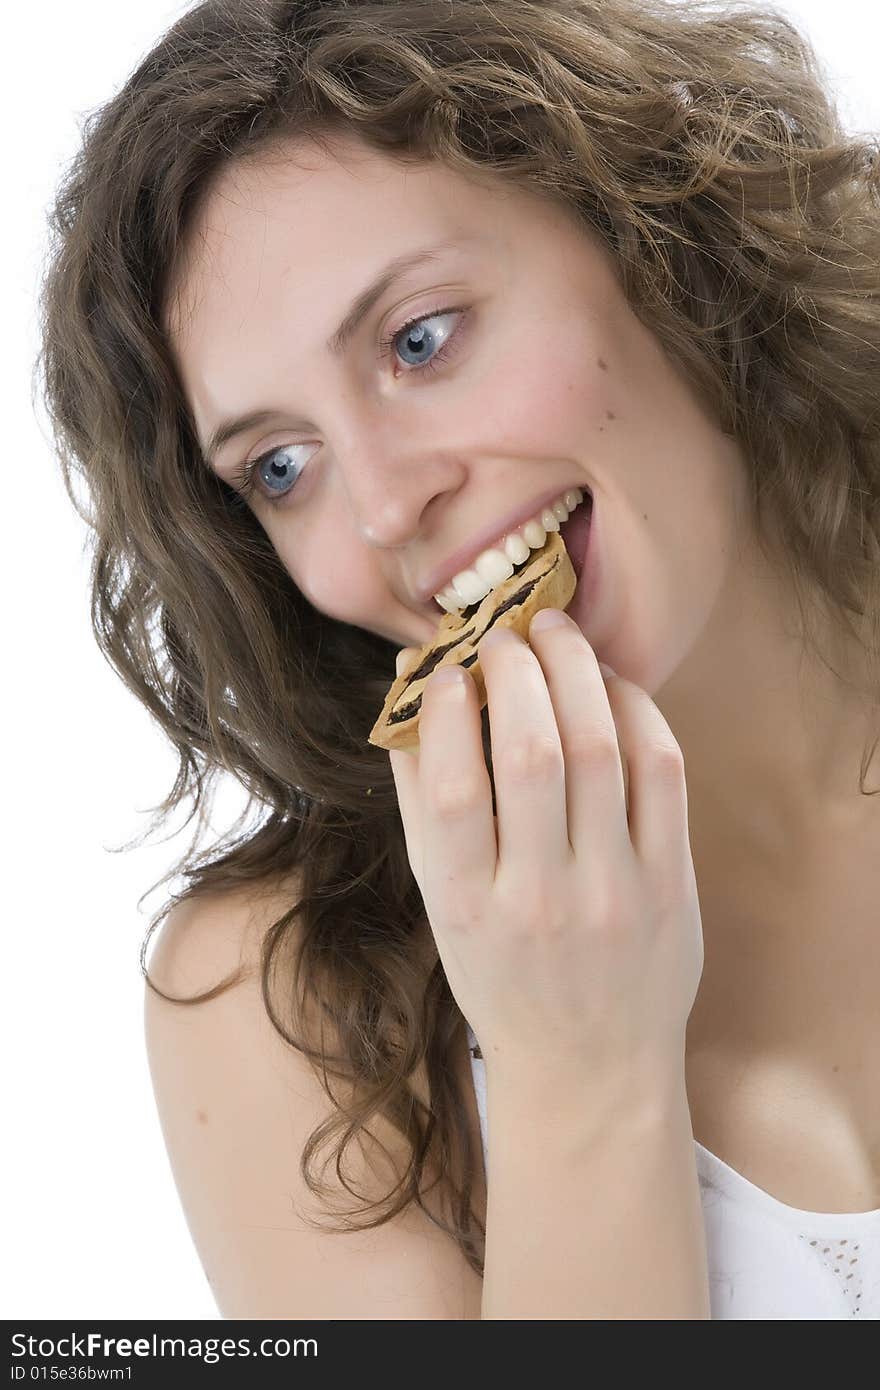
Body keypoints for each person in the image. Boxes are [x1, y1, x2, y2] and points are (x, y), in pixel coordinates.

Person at [35, 0, 880, 1319]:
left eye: (419, 340)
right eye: (280, 466)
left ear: (660, 237)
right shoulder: (284, 1010)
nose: (379, 512)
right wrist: (576, 1067)